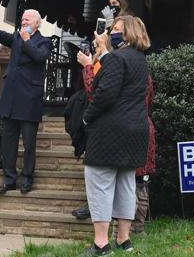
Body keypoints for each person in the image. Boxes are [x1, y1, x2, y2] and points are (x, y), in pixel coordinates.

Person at [74, 20, 156, 237]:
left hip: (111, 133)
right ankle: (123, 238)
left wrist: (86, 118)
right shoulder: (140, 59)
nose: (111, 34)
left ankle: (101, 243)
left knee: (99, 184)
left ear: (128, 34)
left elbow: (103, 94)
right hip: (136, 131)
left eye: (116, 31)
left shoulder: (118, 59)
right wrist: (103, 51)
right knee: (126, 186)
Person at [0, 3, 53, 194]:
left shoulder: (44, 41)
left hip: (30, 100)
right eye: (22, 18)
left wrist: (27, 41)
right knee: (8, 143)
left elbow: (39, 57)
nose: (23, 21)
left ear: (36, 23)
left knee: (28, 143)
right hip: (11, 99)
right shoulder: (16, 37)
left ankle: (27, 178)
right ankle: (9, 179)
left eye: (27, 18)